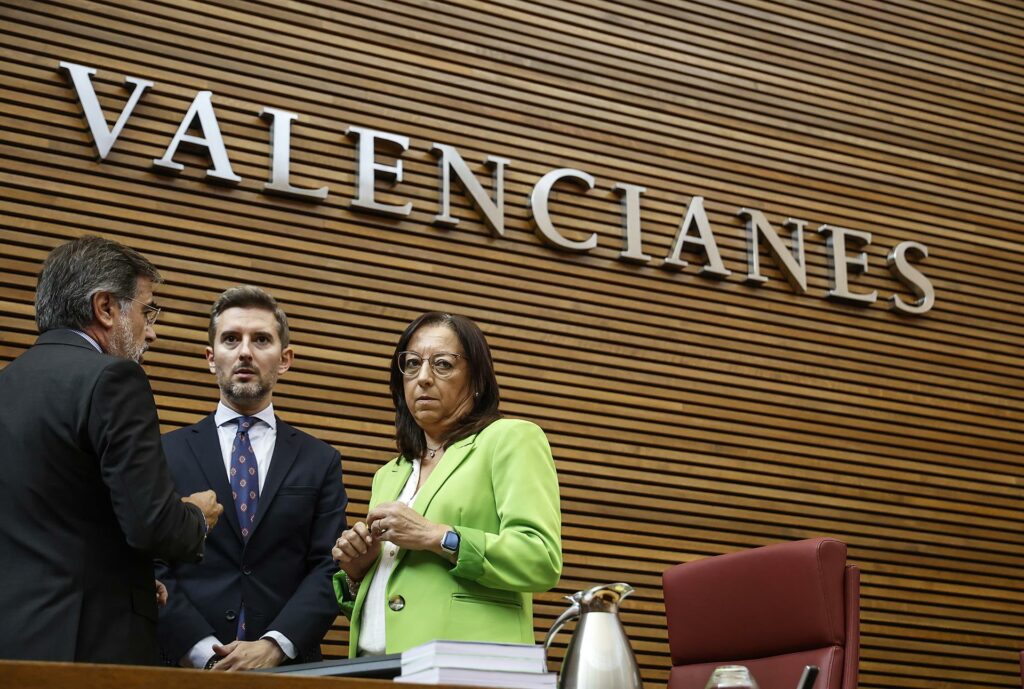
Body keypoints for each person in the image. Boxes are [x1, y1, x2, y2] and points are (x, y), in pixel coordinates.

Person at [0, 235, 223, 664]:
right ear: (105, 308)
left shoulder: (6, 385)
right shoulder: (114, 379)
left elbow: (52, 521)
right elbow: (152, 524)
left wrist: (126, 579)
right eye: (146, 311)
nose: (152, 331)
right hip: (88, 649)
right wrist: (197, 516)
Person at [332, 312, 562, 656]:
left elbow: (540, 559)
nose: (423, 378)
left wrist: (437, 536)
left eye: (442, 364)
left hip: (466, 664)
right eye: (412, 364)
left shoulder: (510, 439)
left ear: (477, 379)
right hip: (373, 667)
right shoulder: (389, 473)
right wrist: (358, 570)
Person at [156, 286, 347, 671]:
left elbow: (330, 566)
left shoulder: (320, 460)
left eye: (261, 340)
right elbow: (150, 562)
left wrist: (274, 646)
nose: (245, 352)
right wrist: (204, 652)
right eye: (231, 339)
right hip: (183, 666)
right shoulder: (162, 452)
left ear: (285, 359)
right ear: (211, 358)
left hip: (288, 669)